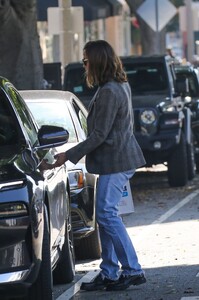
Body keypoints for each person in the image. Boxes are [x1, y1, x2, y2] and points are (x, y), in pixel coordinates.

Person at [46, 40, 146, 291]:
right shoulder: (115, 86)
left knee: (106, 214)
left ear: (98, 61)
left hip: (117, 160)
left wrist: (66, 155)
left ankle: (133, 270)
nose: (85, 65)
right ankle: (110, 272)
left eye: (86, 60)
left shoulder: (111, 90)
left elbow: (99, 134)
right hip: (115, 160)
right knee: (106, 216)